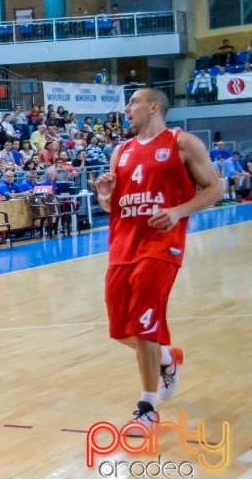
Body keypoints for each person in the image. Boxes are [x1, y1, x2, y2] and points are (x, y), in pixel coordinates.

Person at [93, 88, 222, 427]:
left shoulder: (183, 144)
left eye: (133, 102)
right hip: (123, 246)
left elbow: (215, 189)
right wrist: (105, 196)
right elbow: (114, 206)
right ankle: (168, 358)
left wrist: (179, 211)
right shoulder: (120, 151)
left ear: (153, 107)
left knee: (144, 324)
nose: (126, 108)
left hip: (161, 246)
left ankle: (147, 407)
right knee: (121, 329)